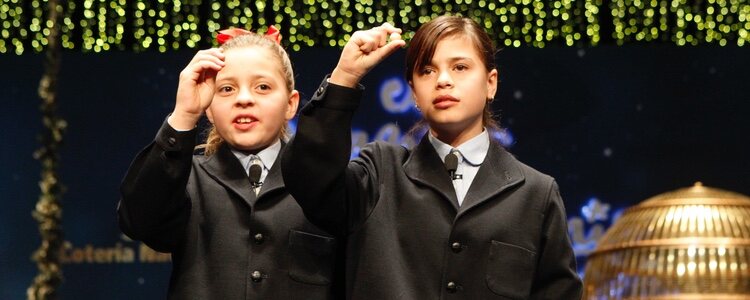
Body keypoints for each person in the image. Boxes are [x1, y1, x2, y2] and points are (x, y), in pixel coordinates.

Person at [281, 16, 582, 299]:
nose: (443, 81)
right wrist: (345, 77)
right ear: (413, 91)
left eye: (460, 67)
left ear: (491, 83)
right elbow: (309, 180)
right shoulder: (380, 173)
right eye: (427, 70)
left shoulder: (535, 194)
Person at [118, 27, 341, 299]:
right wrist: (184, 115)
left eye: (262, 87)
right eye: (226, 89)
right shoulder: (185, 177)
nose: (244, 99)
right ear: (209, 108)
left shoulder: (322, 183)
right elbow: (139, 223)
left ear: (291, 104)